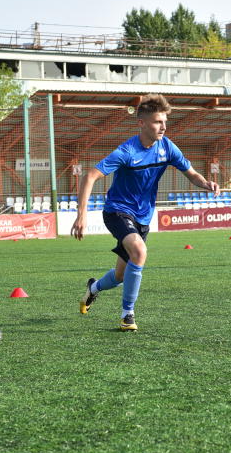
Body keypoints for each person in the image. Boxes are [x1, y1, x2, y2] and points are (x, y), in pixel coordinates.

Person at [72, 94, 219, 331]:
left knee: (121, 275)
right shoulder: (127, 151)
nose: (163, 127)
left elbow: (191, 172)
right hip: (117, 211)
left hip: (143, 217)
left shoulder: (167, 147)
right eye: (157, 122)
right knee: (140, 251)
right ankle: (127, 314)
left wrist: (206, 183)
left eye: (164, 122)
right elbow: (90, 176)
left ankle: (94, 288)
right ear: (141, 123)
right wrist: (82, 214)